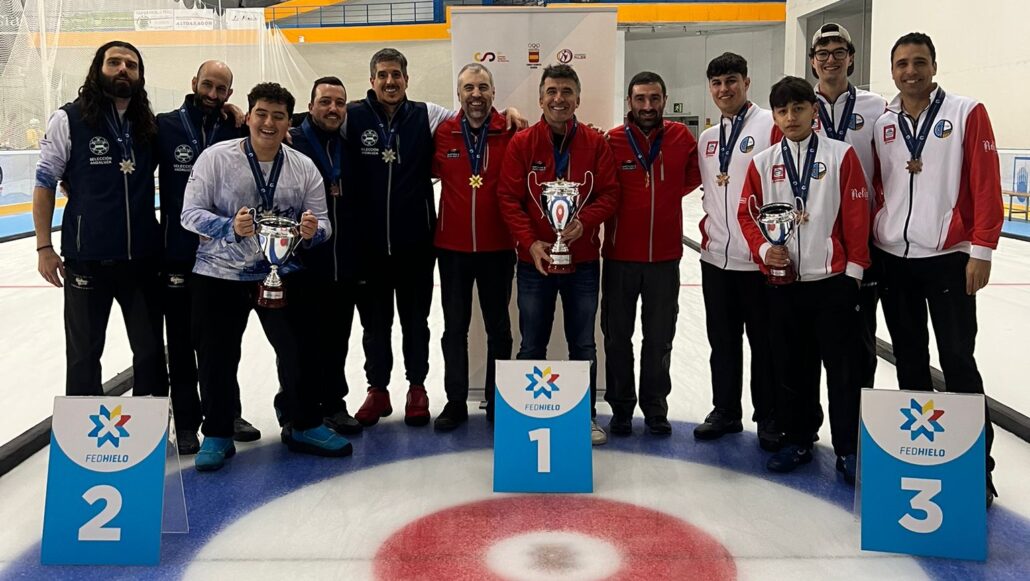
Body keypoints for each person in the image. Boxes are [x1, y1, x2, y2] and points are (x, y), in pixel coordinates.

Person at [181, 82, 350, 471]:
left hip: (283, 272)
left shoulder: (302, 166)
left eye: (278, 116)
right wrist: (228, 227)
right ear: (249, 116)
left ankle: (303, 423)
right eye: (261, 113)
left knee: (300, 351)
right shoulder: (215, 158)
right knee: (216, 357)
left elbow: (323, 222)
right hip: (219, 273)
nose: (268, 122)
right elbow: (189, 213)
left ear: (289, 121)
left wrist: (312, 232)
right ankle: (219, 432)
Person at [872, 32, 1003, 507]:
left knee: (959, 364)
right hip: (894, 261)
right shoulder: (883, 122)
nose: (911, 71)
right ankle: (923, 459)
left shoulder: (967, 112)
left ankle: (976, 469)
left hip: (949, 259)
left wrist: (982, 250)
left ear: (934, 65)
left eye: (919, 62)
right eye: (902, 63)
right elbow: (877, 187)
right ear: (892, 71)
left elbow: (986, 185)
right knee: (909, 364)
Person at [738, 76, 870, 484]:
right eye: (782, 110)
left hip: (832, 281)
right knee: (792, 367)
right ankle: (799, 439)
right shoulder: (762, 162)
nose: (791, 117)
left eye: (798, 108)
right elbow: (748, 215)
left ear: (814, 110)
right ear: (774, 116)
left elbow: (856, 217)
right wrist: (764, 251)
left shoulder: (841, 154)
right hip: (782, 283)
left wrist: (853, 273)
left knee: (843, 370)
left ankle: (848, 448)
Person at [33, 40, 168, 400]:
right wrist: (44, 246)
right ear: (98, 69)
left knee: (151, 352)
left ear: (140, 76)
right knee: (83, 356)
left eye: (131, 64)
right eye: (114, 62)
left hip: (141, 259)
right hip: (87, 258)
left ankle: (149, 437)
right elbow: (46, 183)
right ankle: (82, 445)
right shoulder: (69, 119)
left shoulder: (148, 127)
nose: (123, 69)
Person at [497, 64, 620, 446]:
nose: (559, 99)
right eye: (551, 91)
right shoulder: (522, 144)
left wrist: (585, 222)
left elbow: (610, 194)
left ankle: (584, 418)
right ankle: (524, 419)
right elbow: (508, 198)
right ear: (540, 99)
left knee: (582, 342)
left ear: (578, 98)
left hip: (582, 261)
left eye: (567, 91)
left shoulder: (595, 144)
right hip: (534, 262)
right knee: (531, 342)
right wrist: (529, 243)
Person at [345, 48, 455, 428]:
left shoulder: (429, 115)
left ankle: (417, 387)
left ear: (407, 79)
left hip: (416, 246)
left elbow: (478, 119)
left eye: (396, 75)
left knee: (416, 323)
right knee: (375, 326)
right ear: (372, 80)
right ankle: (377, 390)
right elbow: (308, 124)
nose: (390, 82)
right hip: (368, 247)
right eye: (382, 75)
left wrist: (509, 115)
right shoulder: (351, 116)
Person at [155, 60, 258, 455]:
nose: (213, 94)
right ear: (194, 82)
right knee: (180, 345)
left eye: (221, 89)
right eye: (208, 85)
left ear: (230, 95)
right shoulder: (164, 127)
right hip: (179, 255)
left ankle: (226, 413)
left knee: (222, 345)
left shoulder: (234, 126)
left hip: (225, 259)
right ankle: (186, 423)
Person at [601, 71, 700, 436]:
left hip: (664, 258)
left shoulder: (680, 138)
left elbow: (690, 178)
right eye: (640, 99)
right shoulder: (611, 141)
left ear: (664, 99)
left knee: (659, 337)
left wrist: (663, 199)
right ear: (629, 101)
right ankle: (622, 408)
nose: (647, 106)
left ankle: (655, 407)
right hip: (619, 258)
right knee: (617, 338)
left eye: (654, 98)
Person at [693, 53, 783, 449]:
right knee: (722, 343)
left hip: (758, 261)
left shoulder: (770, 125)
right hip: (716, 259)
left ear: (747, 82)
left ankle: (768, 417)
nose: (724, 89)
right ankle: (726, 410)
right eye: (716, 83)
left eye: (731, 81)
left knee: (765, 346)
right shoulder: (708, 139)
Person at [431, 63, 517, 429]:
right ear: (459, 94)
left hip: (498, 249)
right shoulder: (443, 133)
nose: (476, 94)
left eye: (483, 87)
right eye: (468, 88)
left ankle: (498, 401)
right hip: (452, 250)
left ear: (494, 93)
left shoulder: (511, 132)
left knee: (499, 328)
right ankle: (454, 401)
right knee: (455, 328)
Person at [809, 23, 888, 392]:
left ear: (851, 58)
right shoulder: (799, 107)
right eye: (823, 54)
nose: (831, 60)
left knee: (859, 339)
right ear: (813, 62)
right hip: (813, 241)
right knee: (807, 342)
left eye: (839, 52)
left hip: (862, 242)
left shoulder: (877, 108)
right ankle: (804, 429)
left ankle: (858, 425)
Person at [285, 76, 363, 436]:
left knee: (337, 341)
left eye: (340, 103)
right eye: (325, 101)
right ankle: (293, 407)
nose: (333, 109)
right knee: (299, 344)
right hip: (301, 265)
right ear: (310, 105)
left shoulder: (349, 145)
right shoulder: (292, 141)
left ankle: (334, 404)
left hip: (343, 264)